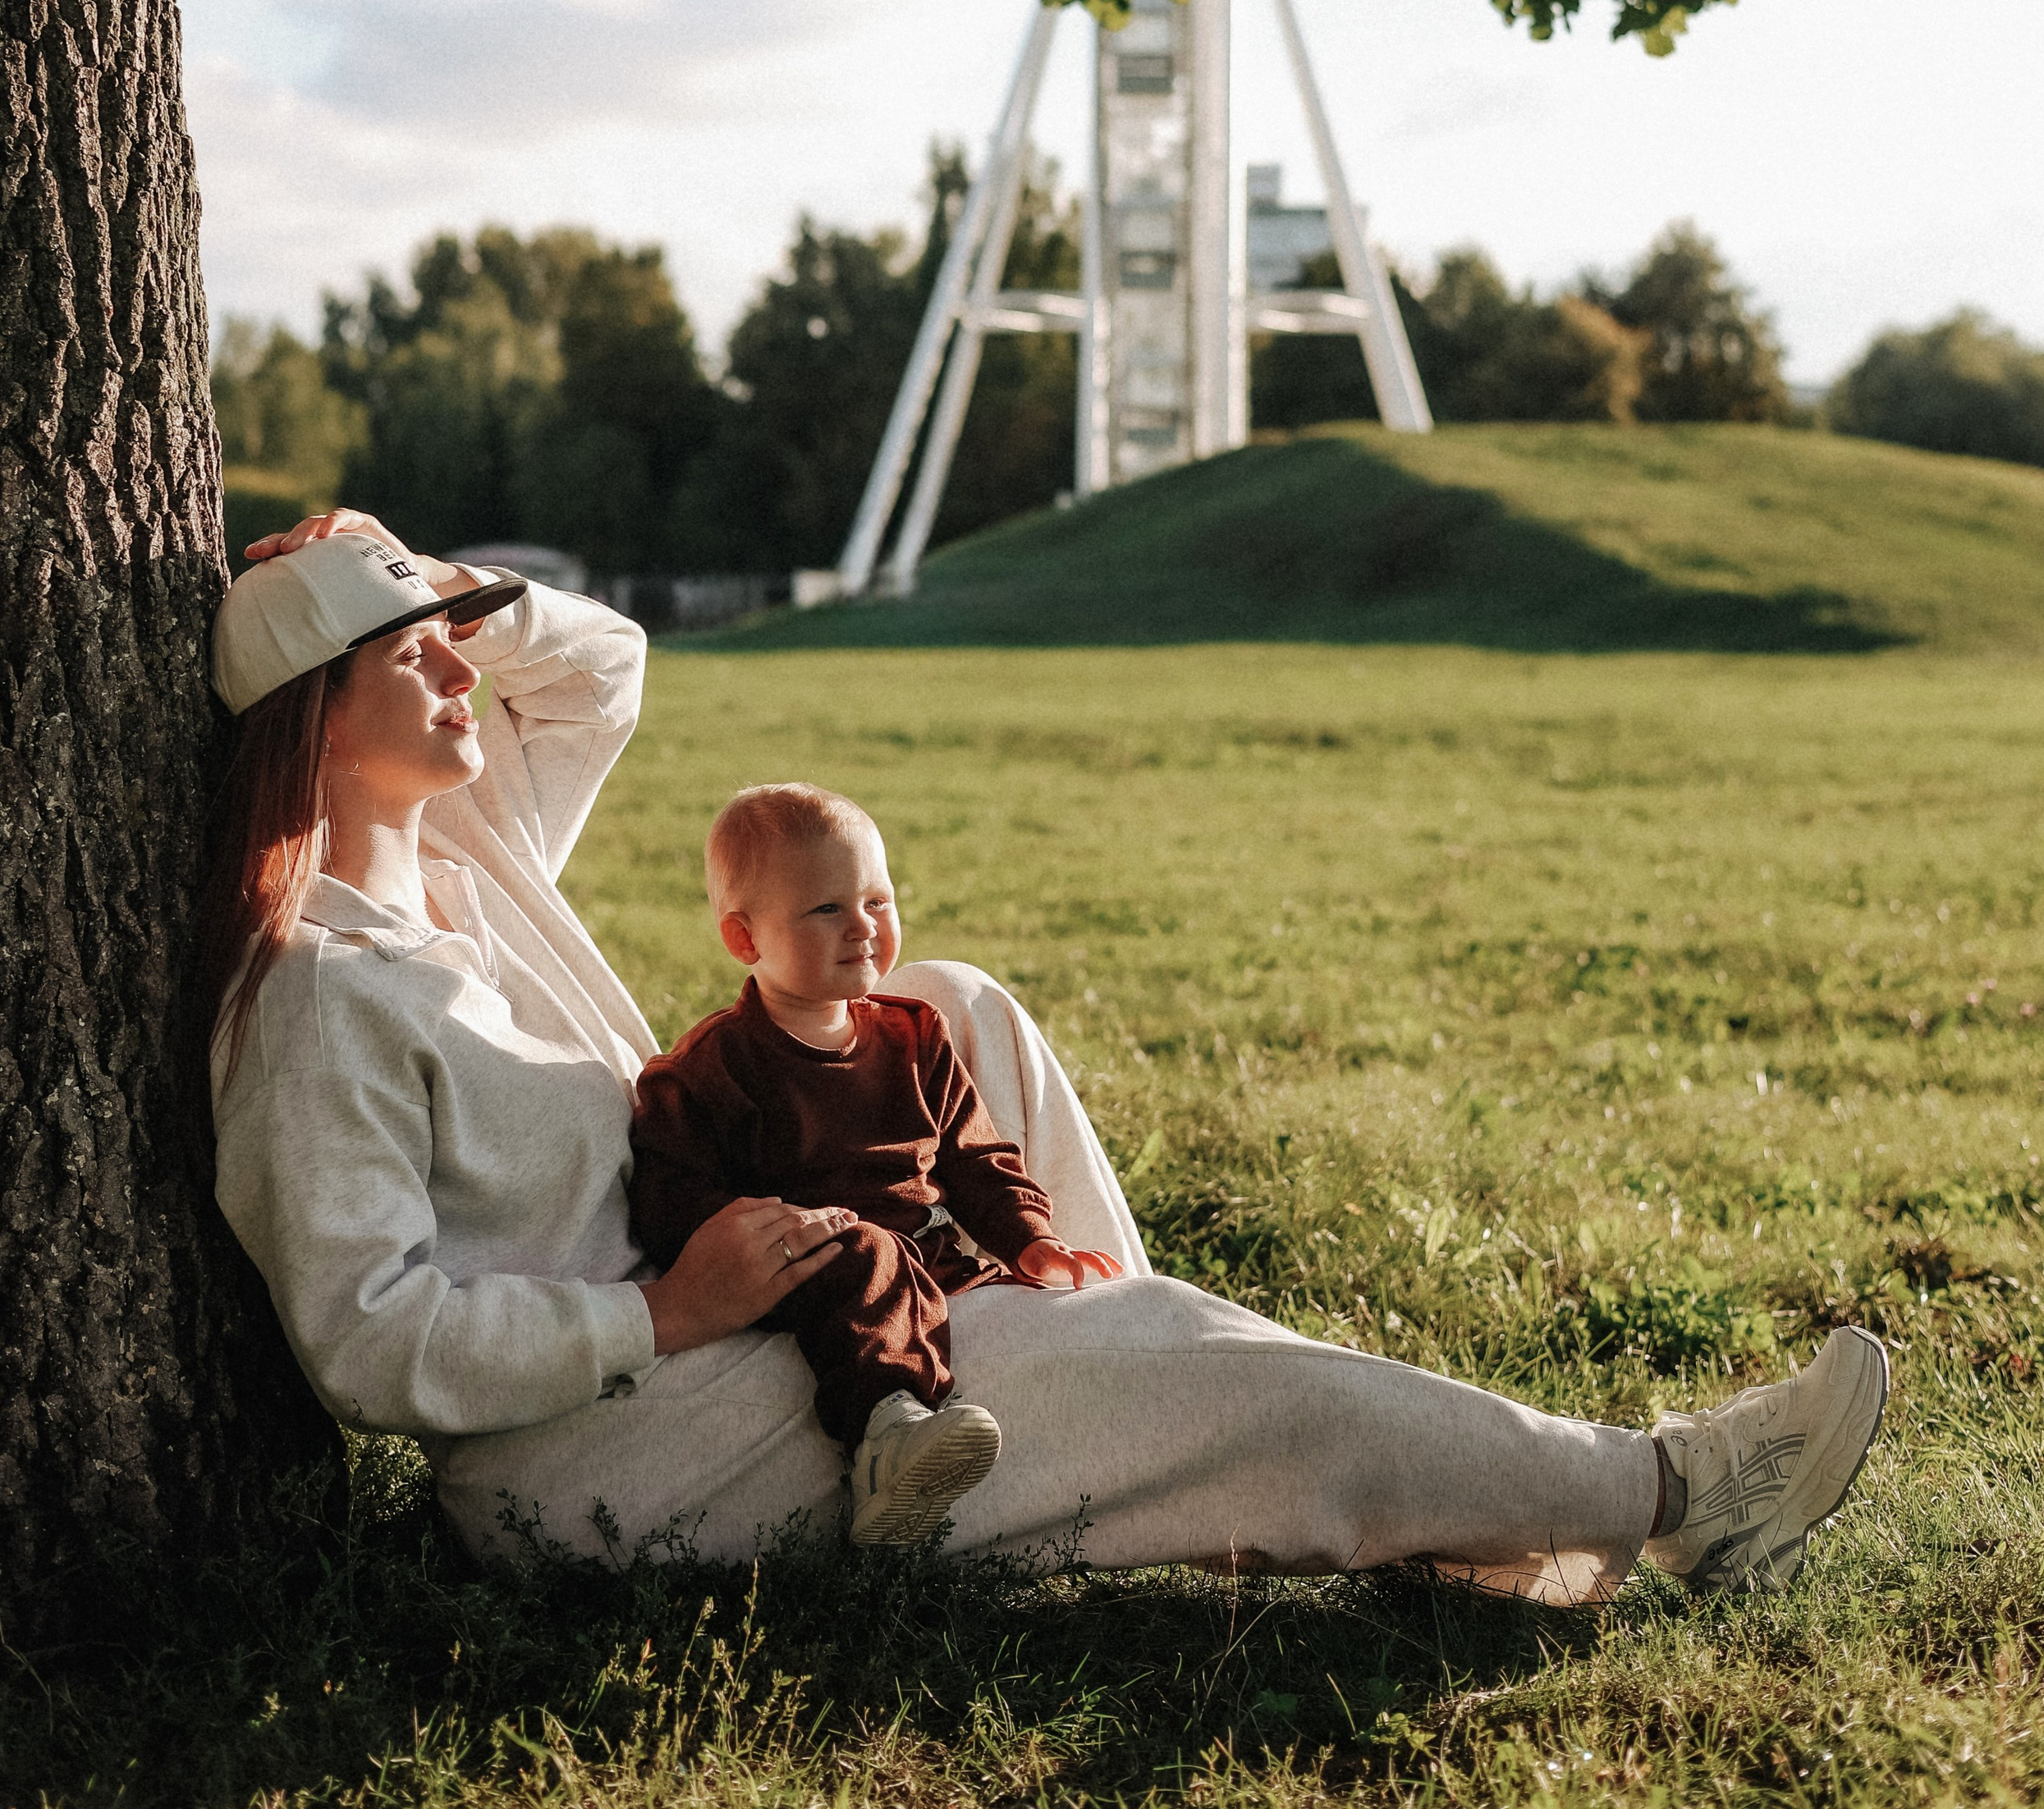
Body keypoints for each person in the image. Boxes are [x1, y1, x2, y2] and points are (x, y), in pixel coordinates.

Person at [204, 511, 1890, 1602]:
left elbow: (600, 668)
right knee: (1170, 1358)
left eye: (450, 637)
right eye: (410, 653)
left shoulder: (465, 852)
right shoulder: (318, 996)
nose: (458, 664)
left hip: (741, 1298)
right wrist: (664, 1314)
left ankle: (1156, 1406)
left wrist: (408, 574)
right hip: (613, 1445)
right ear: (314, 717)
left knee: (943, 1004)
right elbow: (369, 1338)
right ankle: (1675, 1487)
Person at [629, 781, 1125, 1546]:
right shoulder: (712, 1069)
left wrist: (1030, 1238)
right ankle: (888, 1436)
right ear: (744, 938)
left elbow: (977, 1156)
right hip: (809, 1268)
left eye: (877, 900)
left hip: (927, 1262)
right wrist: (755, 1234)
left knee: (970, 1285)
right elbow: (669, 1195)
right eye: (827, 908)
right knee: (866, 1249)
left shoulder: (914, 1035)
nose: (862, 925)